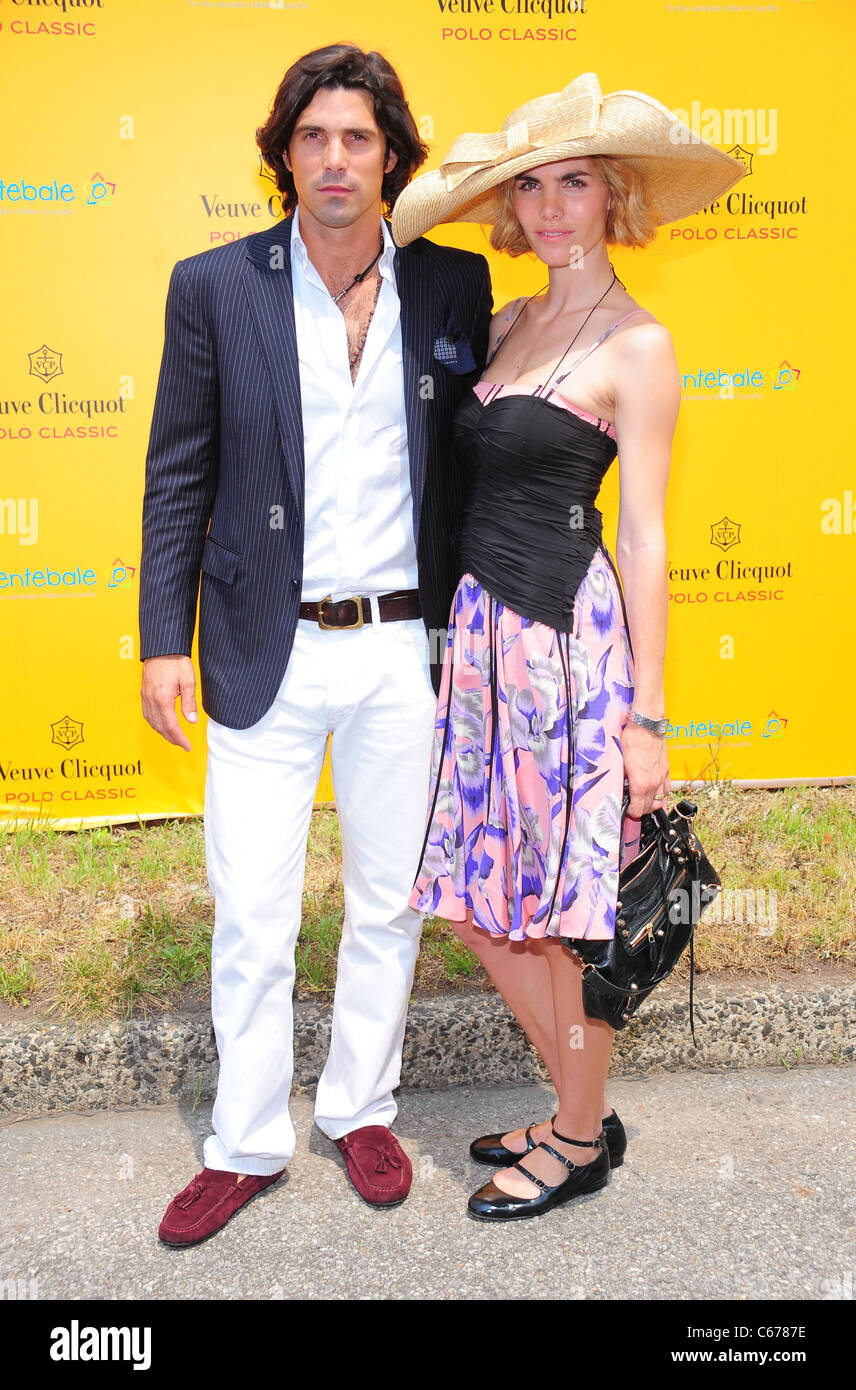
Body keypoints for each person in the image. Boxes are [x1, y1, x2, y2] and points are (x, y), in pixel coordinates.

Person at [139, 43, 491, 1246]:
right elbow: (178, 468)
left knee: (387, 900)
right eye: (313, 137)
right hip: (256, 642)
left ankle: (360, 1106)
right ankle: (244, 1141)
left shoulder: (451, 291)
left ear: (391, 154)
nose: (334, 158)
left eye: (357, 137)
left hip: (402, 648)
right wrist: (159, 639)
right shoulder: (216, 285)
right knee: (253, 909)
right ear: (282, 153)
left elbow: (471, 470)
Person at [391, 71, 747, 1222]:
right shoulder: (507, 320)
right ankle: (577, 1100)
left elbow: (642, 533)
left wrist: (648, 714)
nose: (549, 207)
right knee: (480, 902)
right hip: (483, 650)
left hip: (568, 651)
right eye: (531, 186)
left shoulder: (639, 344)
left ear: (613, 198)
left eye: (574, 183)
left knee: (560, 908)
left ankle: (579, 1134)